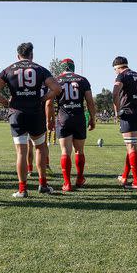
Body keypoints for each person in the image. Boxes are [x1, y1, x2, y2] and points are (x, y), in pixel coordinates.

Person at [0, 42, 61, 198]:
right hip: (35, 112)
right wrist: (42, 98)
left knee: (21, 152)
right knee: (40, 147)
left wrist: (6, 103)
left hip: (17, 113)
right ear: (32, 55)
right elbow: (56, 88)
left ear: (17, 55)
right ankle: (43, 185)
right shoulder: (39, 69)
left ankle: (22, 189)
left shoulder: (9, 69)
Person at [47, 58, 96, 191]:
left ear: (61, 67)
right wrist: (92, 118)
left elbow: (49, 103)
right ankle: (80, 178)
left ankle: (67, 183)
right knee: (79, 150)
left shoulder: (56, 80)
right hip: (79, 118)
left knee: (65, 151)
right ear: (73, 67)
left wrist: (49, 120)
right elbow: (90, 102)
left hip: (63, 118)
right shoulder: (82, 80)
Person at [112, 56, 137, 189]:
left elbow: (115, 93)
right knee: (130, 146)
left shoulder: (122, 76)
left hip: (128, 113)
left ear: (117, 67)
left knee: (131, 147)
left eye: (114, 70)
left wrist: (117, 110)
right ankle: (125, 176)